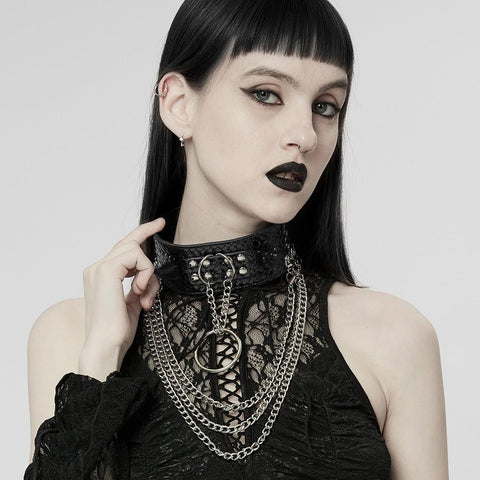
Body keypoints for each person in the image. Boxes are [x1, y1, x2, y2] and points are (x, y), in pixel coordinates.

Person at [25, 0, 448, 478]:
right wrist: (101, 357)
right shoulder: (72, 336)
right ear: (179, 105)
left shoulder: (394, 336)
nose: (305, 135)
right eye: (266, 94)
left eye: (325, 106)